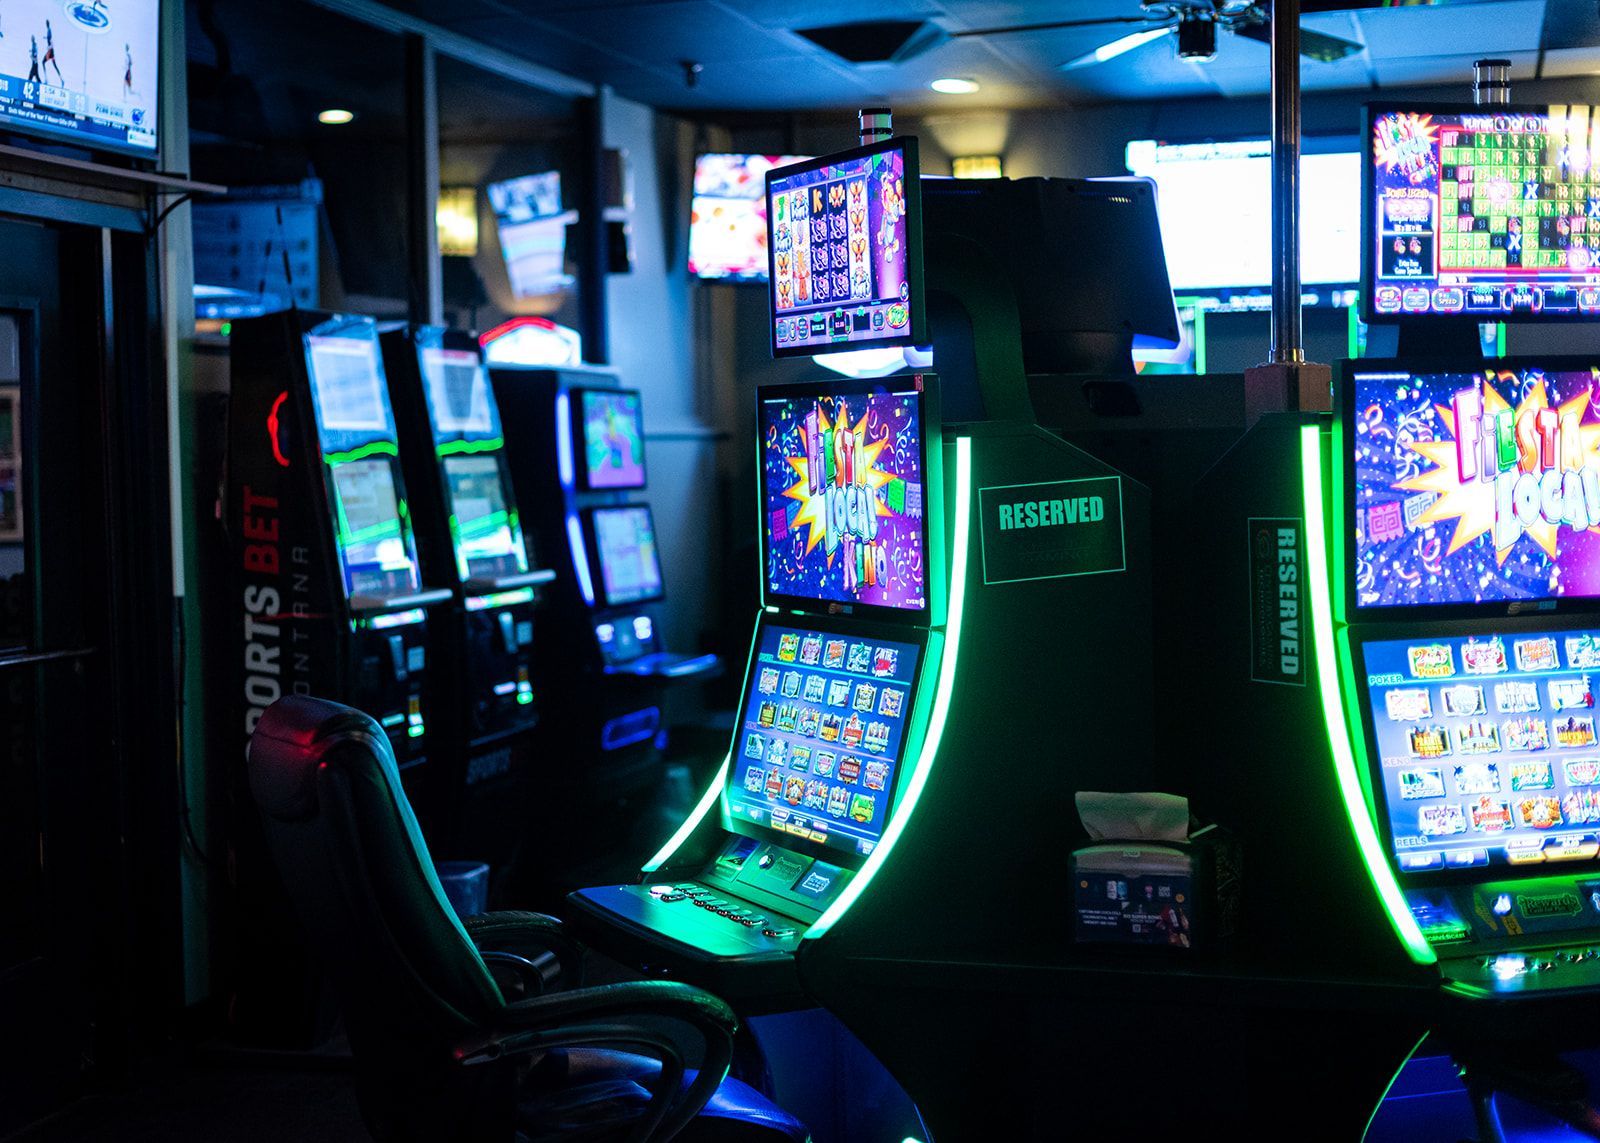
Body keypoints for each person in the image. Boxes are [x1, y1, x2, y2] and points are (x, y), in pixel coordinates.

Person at [42, 19, 62, 84]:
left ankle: (46, 79)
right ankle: (61, 79)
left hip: (50, 51)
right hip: (51, 51)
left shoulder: (49, 31)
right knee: (55, 66)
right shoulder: (49, 31)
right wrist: (46, 38)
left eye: (46, 23)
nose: (46, 24)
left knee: (43, 62)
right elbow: (49, 39)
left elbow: (50, 40)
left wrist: (48, 47)